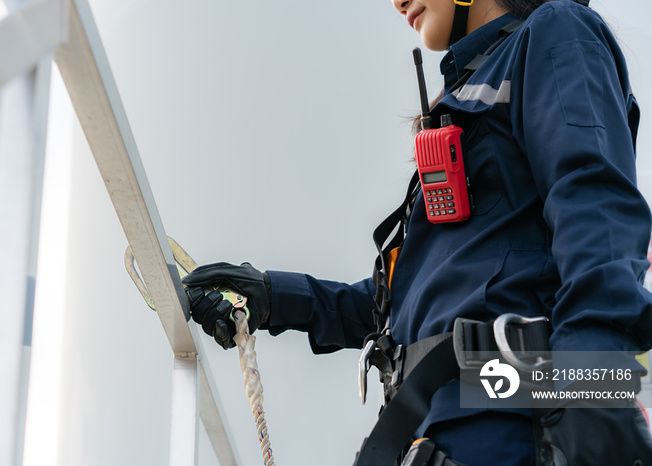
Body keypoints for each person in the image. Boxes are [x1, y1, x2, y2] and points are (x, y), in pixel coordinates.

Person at [183, 0, 652, 464]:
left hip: (507, 423)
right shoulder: (467, 92)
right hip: (422, 435)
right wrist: (271, 298)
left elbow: (595, 209)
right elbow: (409, 300)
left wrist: (594, 386)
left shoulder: (556, 29)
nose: (397, 1)